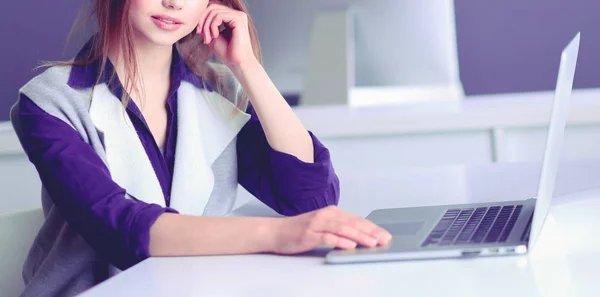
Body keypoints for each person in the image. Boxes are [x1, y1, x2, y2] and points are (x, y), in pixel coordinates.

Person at [10, 1, 392, 296]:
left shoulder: (219, 92)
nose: (175, 2)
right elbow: (119, 228)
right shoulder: (49, 102)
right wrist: (277, 235)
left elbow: (311, 197)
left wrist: (247, 68)